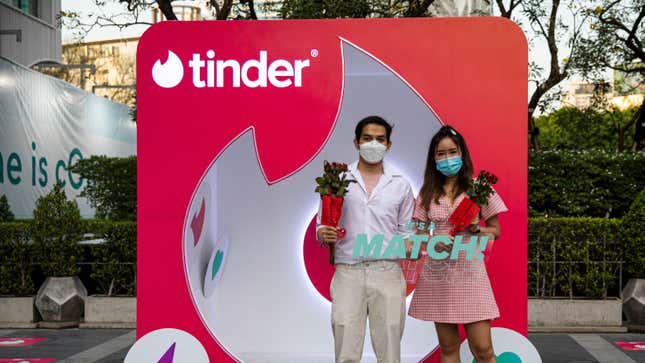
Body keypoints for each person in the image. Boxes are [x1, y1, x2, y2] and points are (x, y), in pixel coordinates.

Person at [316, 115, 415, 363]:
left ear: (389, 145)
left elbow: (407, 231)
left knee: (390, 350)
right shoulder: (337, 179)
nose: (373, 144)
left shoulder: (401, 184)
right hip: (348, 272)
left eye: (380, 139)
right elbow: (322, 225)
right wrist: (323, 233)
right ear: (356, 142)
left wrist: (414, 245)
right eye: (367, 138)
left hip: (387, 271)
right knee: (346, 348)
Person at [408, 125, 508, 363]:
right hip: (438, 275)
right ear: (433, 158)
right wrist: (433, 241)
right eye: (441, 154)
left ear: (462, 153)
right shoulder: (427, 192)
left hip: (470, 272)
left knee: (483, 349)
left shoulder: (479, 189)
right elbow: (419, 234)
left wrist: (478, 229)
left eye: (452, 152)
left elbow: (496, 231)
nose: (447, 158)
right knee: (449, 347)